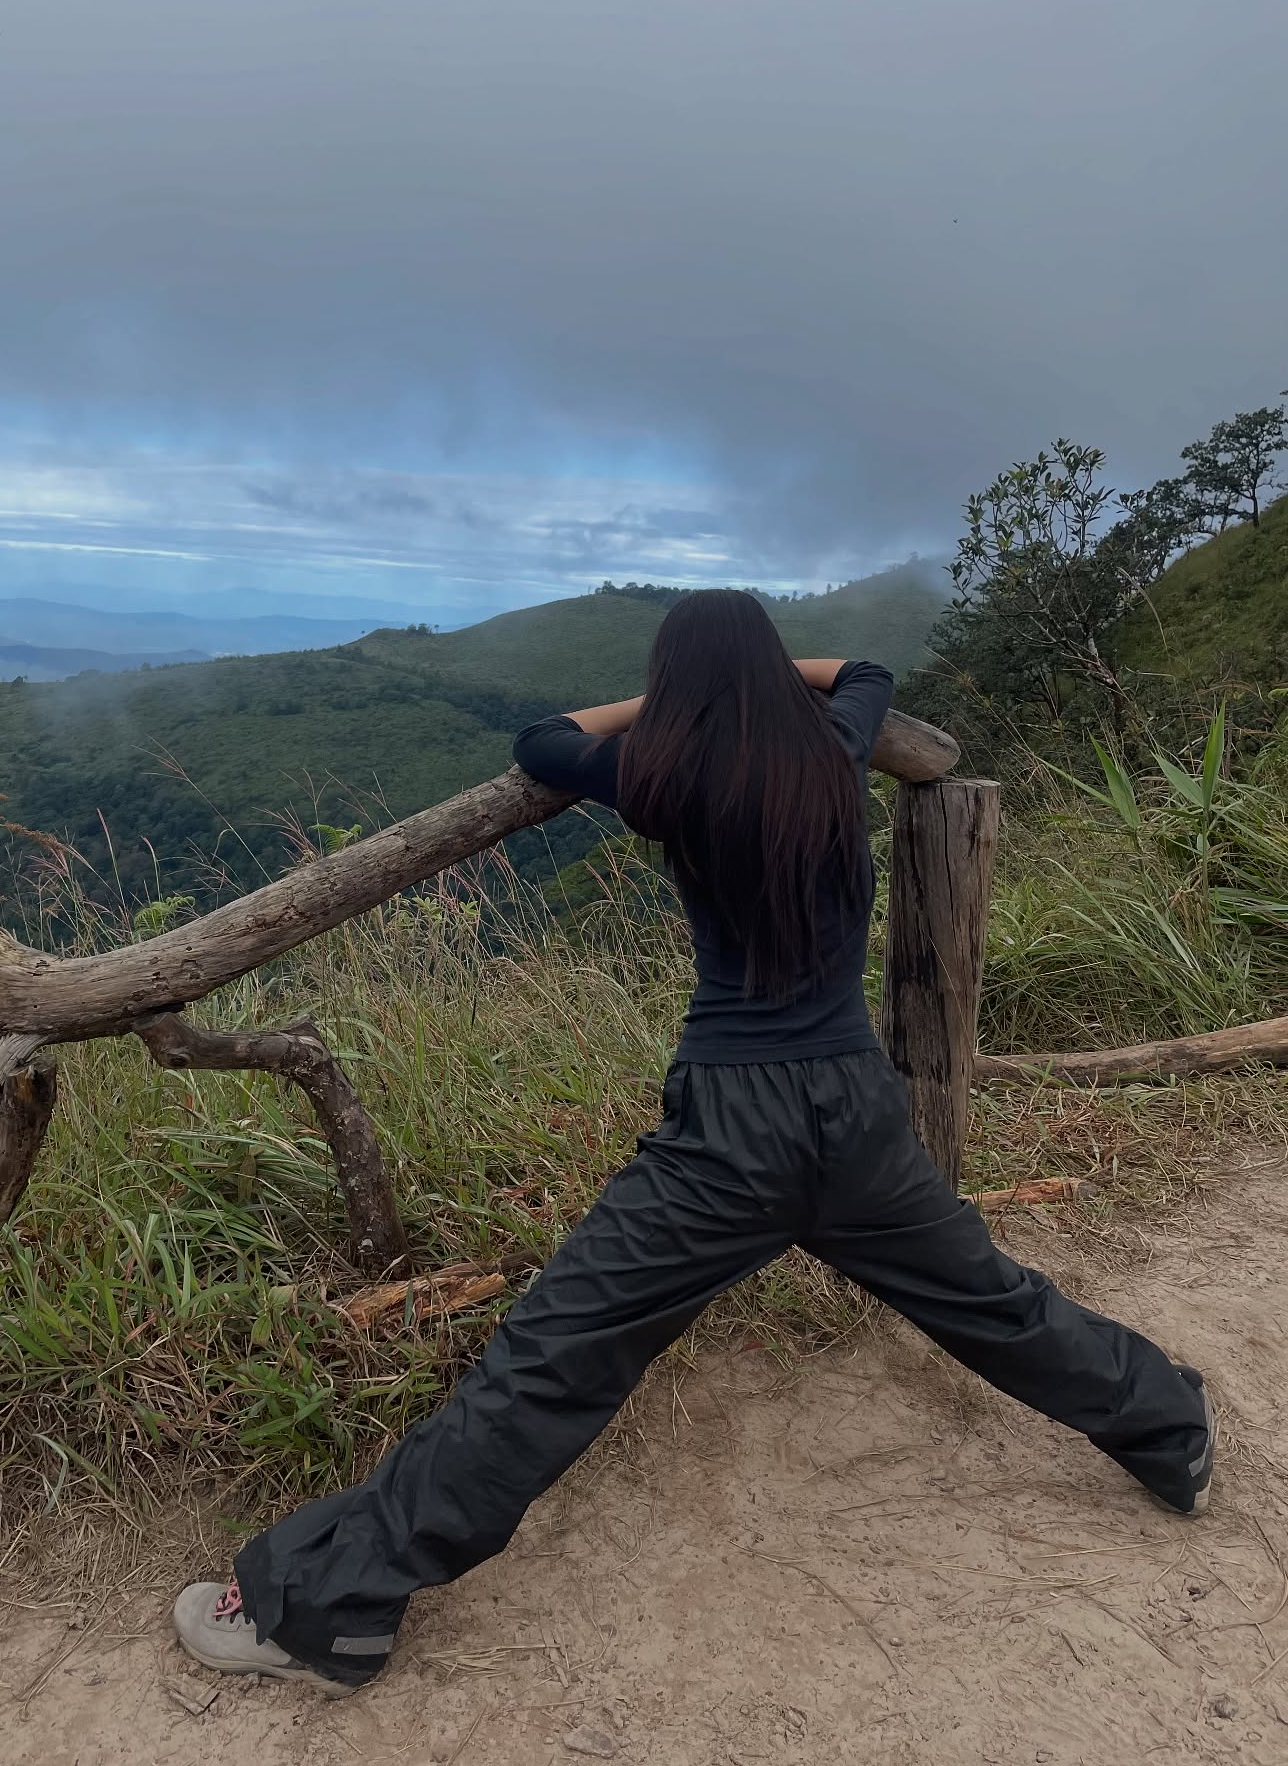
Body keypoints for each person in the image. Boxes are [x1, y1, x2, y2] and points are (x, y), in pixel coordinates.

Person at [174, 589, 1215, 1695]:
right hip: (856, 1108)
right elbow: (865, 672)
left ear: (676, 688)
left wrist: (664, 702)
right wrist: (772, 676)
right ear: (771, 671)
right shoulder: (836, 749)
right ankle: (1169, 1423)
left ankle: (333, 1607)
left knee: (554, 1358)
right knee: (991, 1301)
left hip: (730, 1132)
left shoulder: (661, 775)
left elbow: (541, 739)